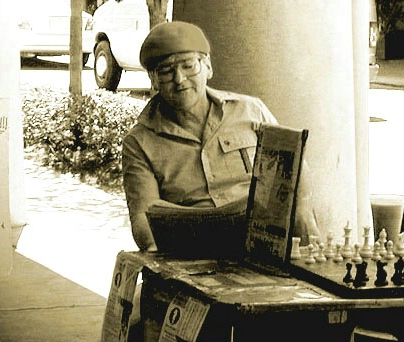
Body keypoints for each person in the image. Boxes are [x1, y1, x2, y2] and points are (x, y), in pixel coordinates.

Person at [121, 21, 319, 340]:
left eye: (188, 66)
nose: (180, 79)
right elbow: (144, 226)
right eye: (166, 70)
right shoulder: (139, 142)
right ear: (153, 79)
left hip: (263, 259)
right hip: (192, 267)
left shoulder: (251, 110)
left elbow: (295, 176)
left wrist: (310, 239)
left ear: (207, 66)